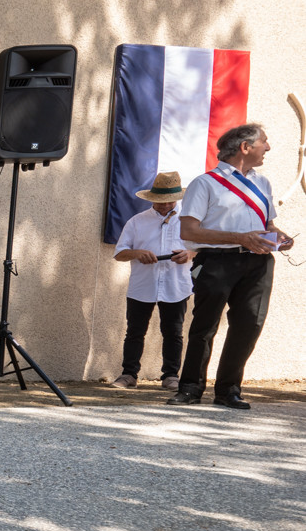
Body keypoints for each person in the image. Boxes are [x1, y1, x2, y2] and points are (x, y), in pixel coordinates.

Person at [168, 124, 296, 409]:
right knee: (205, 326)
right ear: (245, 147)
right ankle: (190, 387)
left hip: (259, 263)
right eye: (264, 141)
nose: (269, 147)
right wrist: (240, 238)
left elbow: (267, 224)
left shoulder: (262, 183)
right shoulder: (205, 183)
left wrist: (278, 236)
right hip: (217, 261)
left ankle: (228, 390)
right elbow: (189, 231)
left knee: (249, 325)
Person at [111, 171, 194, 390]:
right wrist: (137, 253)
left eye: (169, 200)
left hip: (175, 284)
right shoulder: (137, 222)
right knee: (135, 332)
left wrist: (189, 254)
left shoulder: (189, 221)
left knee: (173, 332)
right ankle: (129, 374)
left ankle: (171, 375)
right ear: (152, 200)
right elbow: (120, 253)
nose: (165, 205)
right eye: (160, 201)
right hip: (143, 284)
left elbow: (202, 248)